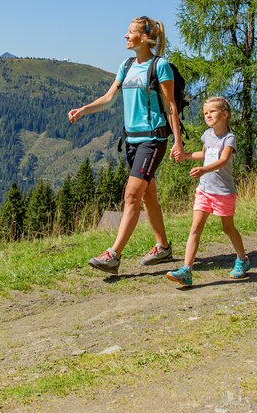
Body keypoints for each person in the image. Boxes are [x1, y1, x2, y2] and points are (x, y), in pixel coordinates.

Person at [68, 16, 185, 274]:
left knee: (132, 194)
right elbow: (109, 99)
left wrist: (177, 141)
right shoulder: (127, 65)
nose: (125, 36)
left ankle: (113, 255)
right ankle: (163, 247)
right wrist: (83, 110)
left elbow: (170, 106)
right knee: (147, 194)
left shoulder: (160, 66)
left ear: (144, 38)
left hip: (153, 139)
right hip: (131, 141)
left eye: (130, 32)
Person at [165, 97, 250, 288]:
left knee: (228, 228)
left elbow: (223, 160)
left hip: (223, 192)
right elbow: (204, 155)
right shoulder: (207, 135)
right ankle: (186, 270)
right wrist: (185, 155)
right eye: (205, 113)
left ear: (225, 114)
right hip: (204, 189)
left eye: (212, 111)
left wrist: (204, 169)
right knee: (195, 228)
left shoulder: (229, 138)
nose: (208, 115)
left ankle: (243, 259)